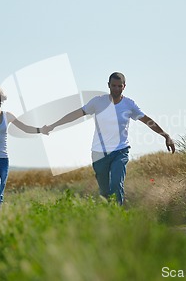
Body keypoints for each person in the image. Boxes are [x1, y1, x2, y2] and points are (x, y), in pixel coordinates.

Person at [41, 72, 175, 205]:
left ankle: (118, 217)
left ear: (124, 86)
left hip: (120, 151)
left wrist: (165, 135)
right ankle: (107, 219)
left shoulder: (129, 104)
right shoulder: (98, 102)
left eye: (119, 86)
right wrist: (54, 125)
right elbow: (76, 114)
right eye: (113, 86)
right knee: (104, 192)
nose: (116, 89)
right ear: (108, 85)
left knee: (117, 184)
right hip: (99, 153)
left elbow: (147, 120)